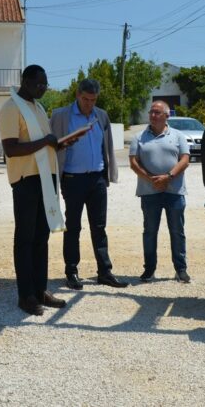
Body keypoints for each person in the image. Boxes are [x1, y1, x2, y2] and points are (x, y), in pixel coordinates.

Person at [0, 65, 80, 316]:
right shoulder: (11, 108)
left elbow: (43, 145)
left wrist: (61, 144)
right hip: (26, 181)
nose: (43, 88)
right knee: (25, 238)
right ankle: (26, 295)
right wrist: (46, 141)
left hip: (45, 178)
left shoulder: (39, 107)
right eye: (39, 84)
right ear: (25, 81)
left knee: (41, 237)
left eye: (45, 84)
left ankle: (40, 288)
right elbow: (11, 148)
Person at [50, 79, 128, 290]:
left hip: (97, 179)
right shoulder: (60, 116)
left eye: (93, 100)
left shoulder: (101, 115)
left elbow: (107, 146)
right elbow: (51, 146)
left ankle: (105, 271)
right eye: (85, 99)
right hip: (72, 179)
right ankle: (71, 271)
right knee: (73, 226)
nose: (89, 104)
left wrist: (107, 175)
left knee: (99, 227)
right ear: (77, 95)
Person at [129, 100, 191, 283]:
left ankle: (181, 269)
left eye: (157, 112)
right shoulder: (139, 137)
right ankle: (149, 269)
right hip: (149, 192)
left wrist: (168, 177)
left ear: (166, 116)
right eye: (151, 112)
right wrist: (151, 180)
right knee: (149, 231)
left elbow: (185, 159)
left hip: (175, 191)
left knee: (177, 231)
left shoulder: (178, 136)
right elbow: (133, 162)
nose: (153, 115)